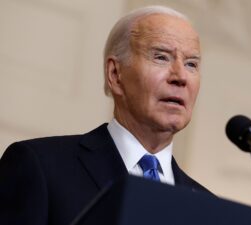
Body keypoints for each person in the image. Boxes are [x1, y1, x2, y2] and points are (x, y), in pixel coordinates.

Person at [0, 5, 210, 225]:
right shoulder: (41, 167)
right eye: (161, 57)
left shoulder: (208, 207)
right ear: (115, 74)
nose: (180, 77)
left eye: (191, 64)